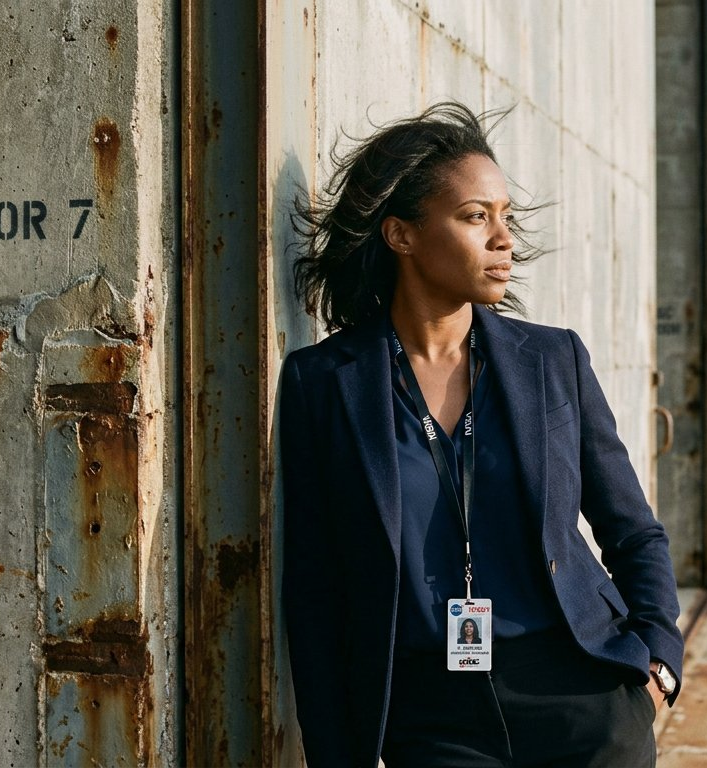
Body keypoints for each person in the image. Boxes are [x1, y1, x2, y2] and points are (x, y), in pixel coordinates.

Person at [280, 102, 683, 768]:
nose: (504, 240)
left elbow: (631, 527)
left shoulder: (553, 362)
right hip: (429, 716)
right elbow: (316, 588)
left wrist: (658, 660)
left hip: (578, 693)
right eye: (475, 216)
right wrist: (334, 750)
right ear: (401, 235)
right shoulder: (324, 383)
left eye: (507, 218)